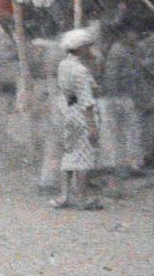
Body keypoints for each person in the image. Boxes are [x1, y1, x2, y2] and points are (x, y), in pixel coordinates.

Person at [52, 27, 104, 210]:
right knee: (84, 157)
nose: (91, 50)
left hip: (69, 112)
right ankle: (82, 197)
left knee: (69, 153)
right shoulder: (80, 70)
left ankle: (64, 195)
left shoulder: (64, 65)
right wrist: (92, 126)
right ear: (81, 48)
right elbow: (87, 101)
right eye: (88, 46)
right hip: (82, 115)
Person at [99, 27, 146, 175]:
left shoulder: (126, 49)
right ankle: (120, 166)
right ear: (125, 33)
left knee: (129, 132)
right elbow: (112, 77)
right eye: (134, 33)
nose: (136, 36)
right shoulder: (118, 50)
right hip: (119, 97)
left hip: (123, 96)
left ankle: (129, 165)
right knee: (122, 132)